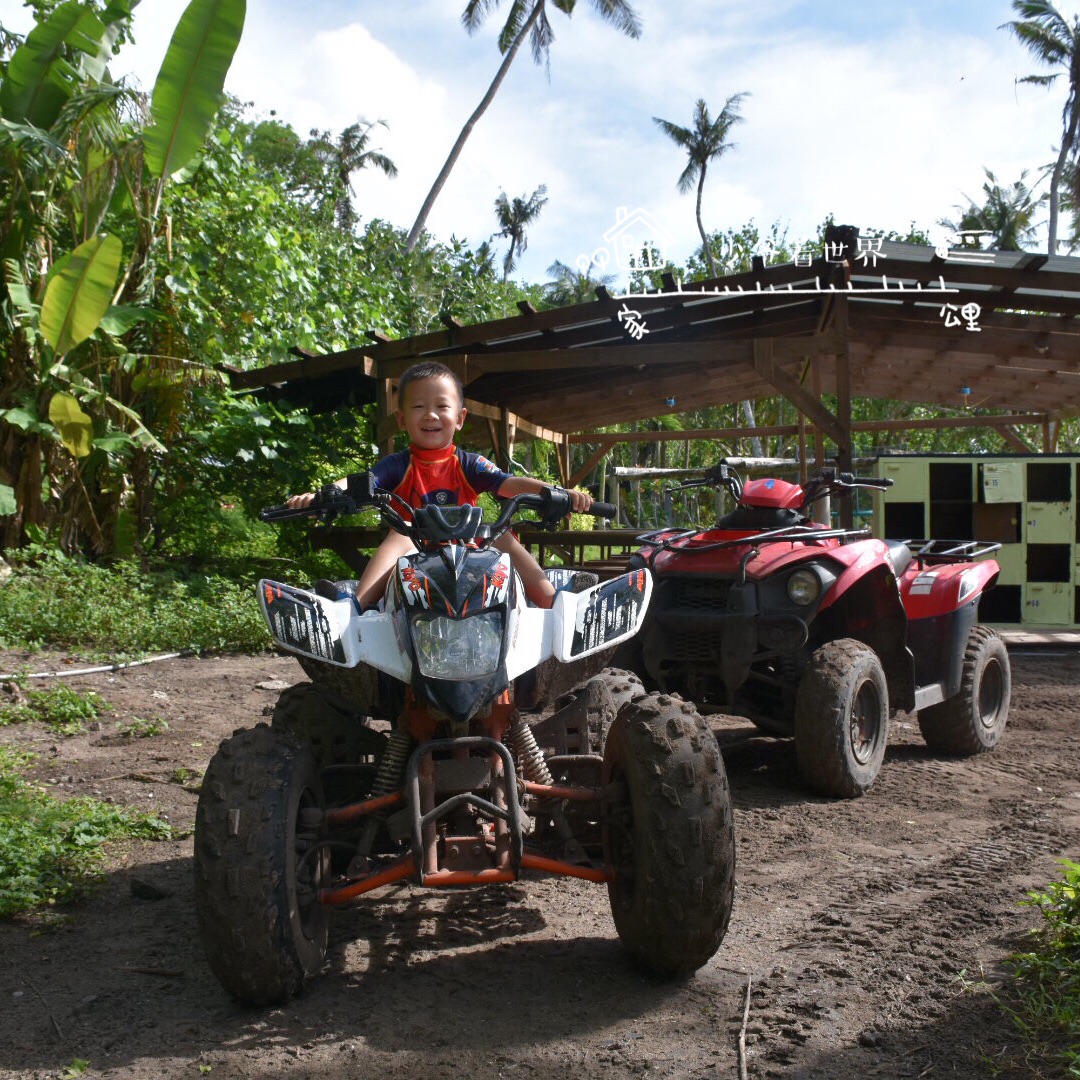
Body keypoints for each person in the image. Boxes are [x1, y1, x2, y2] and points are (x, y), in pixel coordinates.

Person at [285, 360, 592, 610]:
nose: (430, 414)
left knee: (502, 536)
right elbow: (363, 482)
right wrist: (326, 494)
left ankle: (552, 599)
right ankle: (353, 606)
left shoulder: (469, 463)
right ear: (402, 419)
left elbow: (507, 483)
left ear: (459, 417)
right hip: (415, 543)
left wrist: (555, 494)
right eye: (418, 407)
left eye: (441, 406)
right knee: (399, 531)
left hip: (470, 543)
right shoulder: (397, 464)